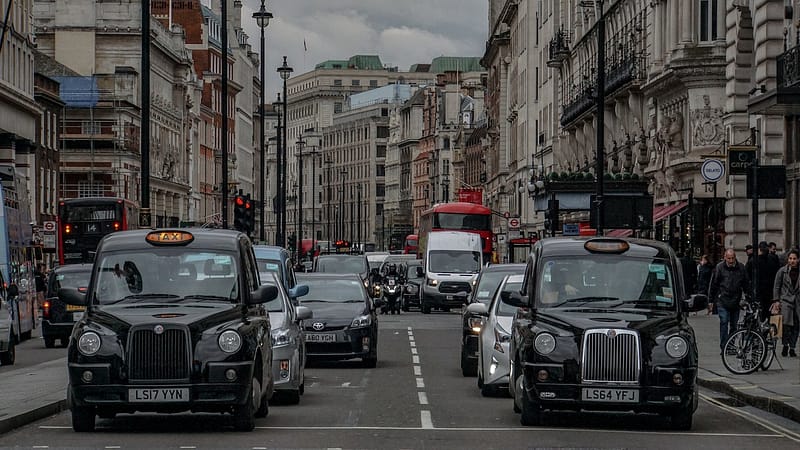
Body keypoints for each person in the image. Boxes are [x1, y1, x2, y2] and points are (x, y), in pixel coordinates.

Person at [708, 248, 751, 355]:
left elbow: (745, 283)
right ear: (725, 258)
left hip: (735, 300)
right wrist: (710, 300)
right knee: (724, 321)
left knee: (734, 325)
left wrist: (748, 297)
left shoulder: (741, 267)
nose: (731, 261)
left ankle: (730, 345)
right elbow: (714, 284)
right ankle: (724, 346)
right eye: (729, 258)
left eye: (732, 258)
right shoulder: (720, 267)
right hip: (723, 299)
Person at [772, 249, 800, 357]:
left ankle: (792, 347)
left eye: (794, 259)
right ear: (787, 259)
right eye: (790, 258)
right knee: (786, 325)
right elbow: (777, 286)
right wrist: (776, 300)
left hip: (797, 302)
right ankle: (785, 345)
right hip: (786, 301)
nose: (792, 261)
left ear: (798, 260)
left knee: (796, 326)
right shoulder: (782, 271)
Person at [746, 242, 780, 319]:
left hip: (758, 292)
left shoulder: (753, 261)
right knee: (769, 314)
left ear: (759, 249)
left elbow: (747, 276)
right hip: (770, 292)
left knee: (759, 314)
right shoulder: (773, 259)